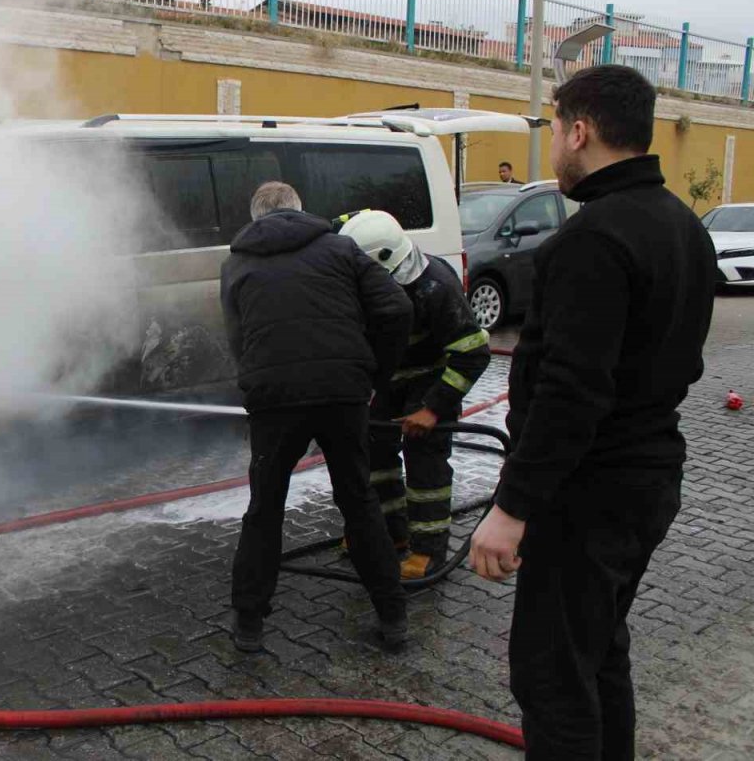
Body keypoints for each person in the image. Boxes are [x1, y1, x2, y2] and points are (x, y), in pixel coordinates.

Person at [469, 65, 716, 759]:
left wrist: (512, 508)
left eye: (554, 130)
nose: (553, 147)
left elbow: (572, 392)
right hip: (647, 481)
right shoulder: (683, 226)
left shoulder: (593, 240)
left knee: (552, 677)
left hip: (587, 495)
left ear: (579, 131)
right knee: (599, 653)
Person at [220, 181, 413, 653]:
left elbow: (237, 337)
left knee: (265, 507)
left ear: (255, 217)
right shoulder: (341, 249)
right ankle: (393, 617)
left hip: (274, 401)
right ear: (300, 210)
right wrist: (374, 375)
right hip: (342, 395)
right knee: (358, 500)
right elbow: (396, 307)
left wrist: (256, 380)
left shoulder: (237, 263)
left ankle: (249, 624)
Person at [339, 210, 490, 579]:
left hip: (432, 381)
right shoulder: (373, 279)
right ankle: (389, 534)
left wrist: (433, 409)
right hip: (388, 381)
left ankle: (428, 550)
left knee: (425, 462)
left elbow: (473, 353)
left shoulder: (435, 287)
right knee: (374, 453)